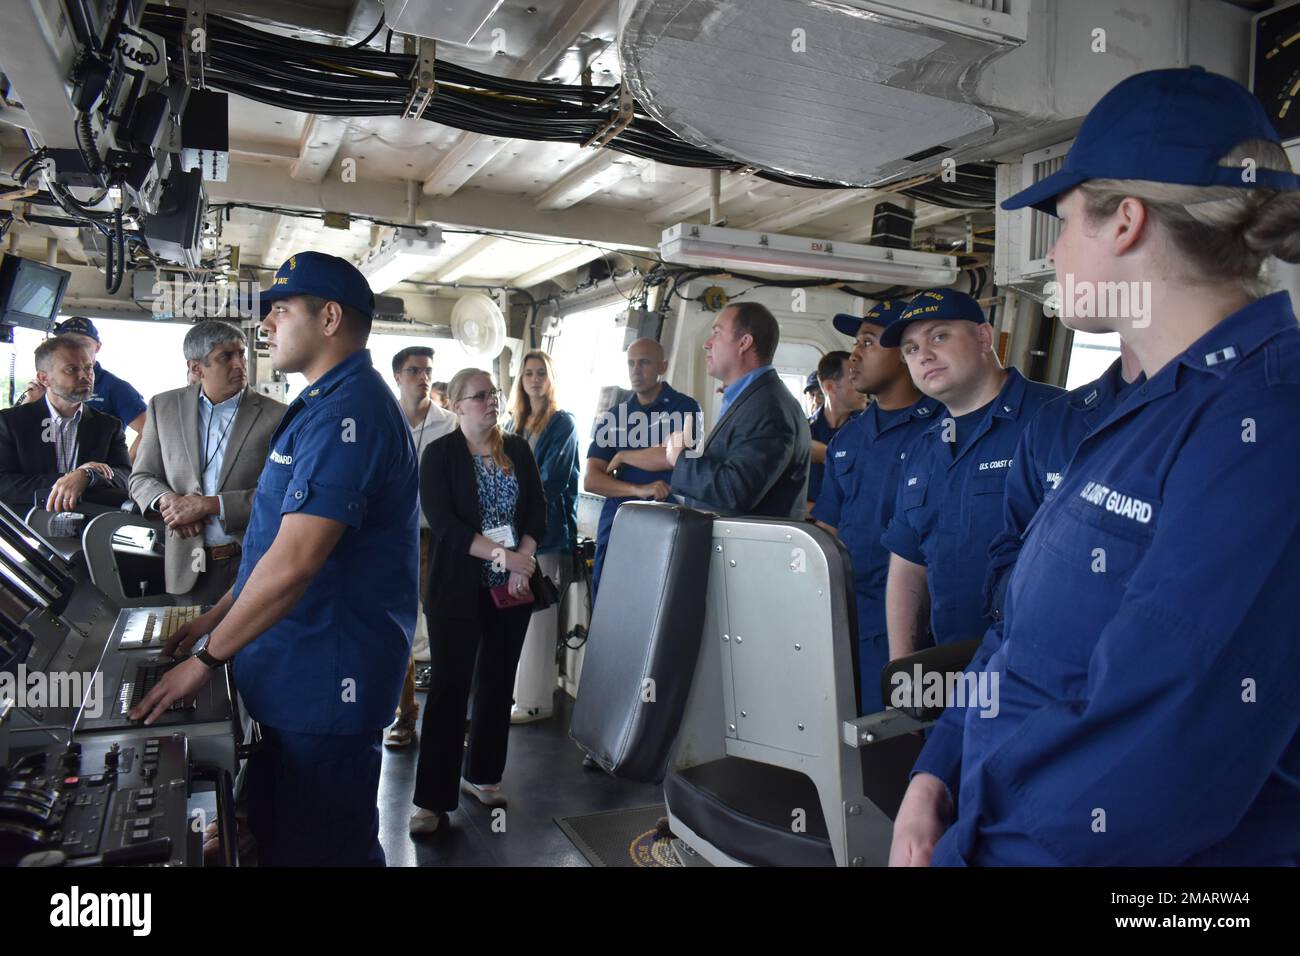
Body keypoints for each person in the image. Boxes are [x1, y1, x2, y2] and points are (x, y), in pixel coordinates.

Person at [892, 67, 1300, 867]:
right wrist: (935, 770)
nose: (1053, 254)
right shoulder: (1113, 407)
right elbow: (1018, 632)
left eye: (1065, 221)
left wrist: (966, 854)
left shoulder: (1263, 431)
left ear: (1125, 224)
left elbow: (1153, 772)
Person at [132, 252, 419, 867]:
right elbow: (268, 552)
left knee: (327, 851)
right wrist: (210, 621)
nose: (266, 327)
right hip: (293, 675)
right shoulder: (319, 406)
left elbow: (294, 565)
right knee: (277, 837)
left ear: (330, 318)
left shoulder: (351, 415)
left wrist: (206, 661)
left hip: (326, 684)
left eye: (281, 311)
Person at [879, 289, 1062, 659]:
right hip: (951, 669)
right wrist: (902, 670)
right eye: (911, 349)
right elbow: (908, 566)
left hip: (1039, 666)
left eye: (939, 336)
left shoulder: (1058, 418)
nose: (924, 354)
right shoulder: (922, 449)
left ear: (983, 337)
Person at [410, 368, 546, 833]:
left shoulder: (518, 450)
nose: (492, 401)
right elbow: (445, 523)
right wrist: (502, 556)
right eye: (481, 395)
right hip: (456, 588)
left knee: (496, 682)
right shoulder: (440, 454)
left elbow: (536, 512)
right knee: (449, 688)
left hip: (513, 589)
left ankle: (484, 774)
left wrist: (522, 561)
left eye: (494, 394)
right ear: (457, 404)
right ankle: (431, 800)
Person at [811, 302, 938, 713]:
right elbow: (827, 530)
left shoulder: (941, 431)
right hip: (848, 620)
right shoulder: (847, 441)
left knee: (902, 742)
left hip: (916, 626)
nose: (854, 355)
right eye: (855, 343)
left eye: (868, 342)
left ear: (904, 354)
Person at [129, 321, 285, 602]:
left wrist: (207, 506)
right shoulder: (162, 407)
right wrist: (171, 504)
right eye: (226, 357)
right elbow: (141, 478)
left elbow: (282, 494)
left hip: (253, 561)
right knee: (190, 644)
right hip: (187, 564)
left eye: (241, 353)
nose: (240, 364)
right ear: (196, 368)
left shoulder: (277, 416)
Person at [659, 302, 810, 518]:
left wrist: (680, 458)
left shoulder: (767, 407)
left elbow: (735, 491)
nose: (707, 344)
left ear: (744, 343)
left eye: (717, 333)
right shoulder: (752, 399)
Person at [586, 337, 701, 602]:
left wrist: (624, 455)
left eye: (644, 363)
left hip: (664, 526)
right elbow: (592, 480)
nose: (636, 371)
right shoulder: (615, 416)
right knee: (608, 604)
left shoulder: (685, 408)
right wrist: (639, 490)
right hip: (618, 525)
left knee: (656, 606)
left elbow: (671, 457)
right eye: (631, 364)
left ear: (662, 366)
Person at [385, 346, 458, 748]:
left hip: (439, 535)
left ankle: (451, 720)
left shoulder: (449, 425)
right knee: (399, 628)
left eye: (428, 370)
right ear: (398, 376)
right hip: (394, 537)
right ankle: (404, 716)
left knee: (447, 627)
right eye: (414, 370)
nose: (423, 377)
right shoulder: (383, 420)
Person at [507, 350, 579, 724]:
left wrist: (509, 499)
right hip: (516, 534)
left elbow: (551, 481)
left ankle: (536, 702)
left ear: (551, 379)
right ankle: (522, 693)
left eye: (541, 373)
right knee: (518, 617)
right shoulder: (515, 422)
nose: (534, 379)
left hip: (548, 535)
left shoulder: (562, 424)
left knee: (538, 622)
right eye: (528, 373)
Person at [0, 335, 130, 511]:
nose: (85, 376)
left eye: (88, 368)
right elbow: (4, 484)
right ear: (44, 378)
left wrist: (87, 476)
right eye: (71, 370)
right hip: (26, 532)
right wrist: (70, 480)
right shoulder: (10, 423)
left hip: (91, 532)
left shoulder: (109, 426)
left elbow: (125, 475)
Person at [51, 317, 148, 461]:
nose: (75, 349)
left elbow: (149, 429)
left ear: (97, 347)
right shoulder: (48, 383)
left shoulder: (115, 387)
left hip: (100, 478)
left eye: (83, 343)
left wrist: (125, 468)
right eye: (68, 343)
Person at [806, 349, 866, 513]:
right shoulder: (802, 432)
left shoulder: (871, 433)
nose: (863, 386)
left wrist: (827, 456)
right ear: (830, 387)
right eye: (854, 379)